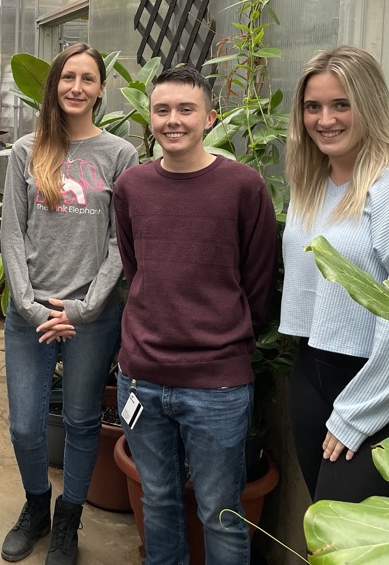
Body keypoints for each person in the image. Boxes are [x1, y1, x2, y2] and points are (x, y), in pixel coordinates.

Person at [113, 66, 277, 565]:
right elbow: (135, 266)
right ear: (150, 118)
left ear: (209, 117)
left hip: (217, 386)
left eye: (185, 110)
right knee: (158, 501)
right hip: (141, 378)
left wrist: (221, 334)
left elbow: (258, 281)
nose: (173, 120)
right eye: (162, 110)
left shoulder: (243, 188)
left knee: (221, 511)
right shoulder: (131, 187)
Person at [281, 45, 389, 503]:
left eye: (342, 104)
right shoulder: (313, 183)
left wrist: (356, 413)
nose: (326, 119)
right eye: (313, 107)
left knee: (357, 539)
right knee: (326, 524)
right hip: (316, 368)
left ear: (371, 106)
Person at [0, 44, 138, 565]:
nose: (76, 87)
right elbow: (12, 233)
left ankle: (68, 521)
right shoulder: (26, 151)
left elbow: (120, 243)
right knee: (25, 424)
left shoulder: (121, 155)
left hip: (91, 316)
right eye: (67, 77)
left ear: (102, 89)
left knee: (81, 421)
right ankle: (37, 505)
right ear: (53, 85)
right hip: (30, 313)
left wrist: (82, 308)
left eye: (88, 78)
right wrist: (32, 307)